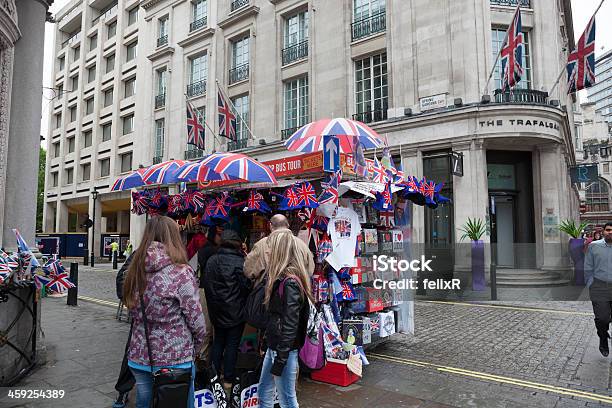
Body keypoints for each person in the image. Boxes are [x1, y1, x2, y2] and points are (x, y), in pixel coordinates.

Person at [123, 216, 206, 408]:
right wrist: (197, 347)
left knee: (144, 401)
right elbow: (197, 322)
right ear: (173, 237)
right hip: (175, 357)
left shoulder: (134, 268)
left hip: (139, 354)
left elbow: (130, 306)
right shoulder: (181, 272)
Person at [258, 230, 313, 408]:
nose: (267, 252)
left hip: (283, 351)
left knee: (287, 400)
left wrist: (281, 358)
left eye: (270, 248)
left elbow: (290, 324)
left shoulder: (289, 283)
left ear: (278, 251)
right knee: (264, 391)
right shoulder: (282, 279)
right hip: (276, 348)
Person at [204, 229, 251, 387]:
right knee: (231, 345)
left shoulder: (212, 260)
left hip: (216, 311)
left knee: (218, 342)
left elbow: (207, 285)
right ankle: (229, 378)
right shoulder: (239, 262)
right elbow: (246, 286)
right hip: (235, 311)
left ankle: (214, 376)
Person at [244, 214, 314, 284]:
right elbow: (310, 270)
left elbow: (248, 271)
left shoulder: (261, 244)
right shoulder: (301, 245)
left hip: (268, 291)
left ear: (270, 225)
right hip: (294, 291)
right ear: (288, 225)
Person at [196, 225, 223, 363]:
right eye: (219, 234)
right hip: (209, 291)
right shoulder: (212, 251)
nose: (221, 238)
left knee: (206, 328)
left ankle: (203, 359)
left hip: (205, 289)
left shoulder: (204, 249)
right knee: (208, 329)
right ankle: (204, 360)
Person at [585, 221, 612, 357]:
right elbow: (588, 266)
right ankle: (603, 338)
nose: (610, 232)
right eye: (608, 230)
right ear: (603, 231)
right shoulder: (594, 246)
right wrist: (591, 284)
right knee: (602, 318)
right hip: (599, 287)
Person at [112, 252, 135, 408]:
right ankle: (123, 390)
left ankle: (123, 391)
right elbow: (122, 278)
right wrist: (129, 302)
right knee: (132, 353)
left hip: (145, 321)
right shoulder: (139, 254)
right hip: (144, 323)